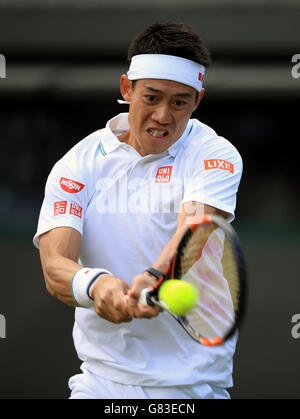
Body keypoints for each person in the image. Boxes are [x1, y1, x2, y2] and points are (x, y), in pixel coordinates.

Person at [33, 22, 243, 399]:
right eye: (152, 97)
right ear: (127, 88)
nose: (163, 115)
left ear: (197, 101)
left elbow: (194, 230)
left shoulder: (215, 154)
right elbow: (55, 265)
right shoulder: (77, 164)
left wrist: (157, 277)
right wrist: (97, 285)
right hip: (99, 382)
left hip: (193, 386)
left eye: (180, 102)